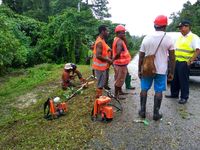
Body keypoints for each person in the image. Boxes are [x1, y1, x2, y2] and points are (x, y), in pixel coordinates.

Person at [138, 15, 175, 121]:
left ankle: (142, 111)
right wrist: (171, 72)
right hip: (162, 70)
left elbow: (141, 56)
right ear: (165, 26)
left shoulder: (146, 38)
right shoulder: (168, 39)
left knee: (144, 89)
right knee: (159, 90)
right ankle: (156, 113)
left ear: (154, 25)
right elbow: (172, 57)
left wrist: (139, 70)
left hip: (147, 69)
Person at [165, 20, 200, 104]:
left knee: (183, 80)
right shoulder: (180, 37)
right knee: (174, 79)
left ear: (187, 27)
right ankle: (174, 94)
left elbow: (197, 50)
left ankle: (184, 97)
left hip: (184, 62)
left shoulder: (194, 37)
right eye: (179, 28)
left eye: (181, 27)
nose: (180, 29)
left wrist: (190, 61)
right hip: (176, 61)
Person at [92, 25, 112, 98]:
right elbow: (98, 55)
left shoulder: (102, 39)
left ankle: (100, 99)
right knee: (100, 84)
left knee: (101, 83)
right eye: (107, 31)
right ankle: (99, 99)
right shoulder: (100, 42)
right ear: (102, 31)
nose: (108, 32)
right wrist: (108, 60)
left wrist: (109, 50)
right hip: (99, 67)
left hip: (102, 66)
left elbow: (106, 48)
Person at [112, 25, 131, 99]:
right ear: (118, 33)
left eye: (124, 32)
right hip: (120, 64)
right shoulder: (119, 41)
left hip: (119, 64)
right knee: (119, 80)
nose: (124, 34)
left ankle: (120, 91)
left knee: (119, 79)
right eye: (123, 33)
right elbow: (118, 53)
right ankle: (116, 96)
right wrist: (112, 60)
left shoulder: (116, 39)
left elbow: (125, 46)